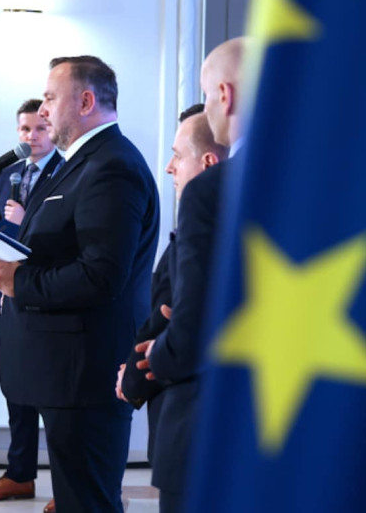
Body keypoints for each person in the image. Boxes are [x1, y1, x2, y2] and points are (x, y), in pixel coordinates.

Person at [0, 56, 159, 513]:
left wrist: (20, 281)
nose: (42, 111)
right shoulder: (78, 163)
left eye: (50, 99)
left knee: (88, 504)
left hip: (85, 376)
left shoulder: (112, 166)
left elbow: (101, 274)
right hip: (65, 373)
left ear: (85, 101)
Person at [134, 37, 245, 513]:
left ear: (224, 94)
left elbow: (193, 322)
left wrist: (155, 357)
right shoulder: (318, 180)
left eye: (205, 94)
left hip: (206, 417)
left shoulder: (211, 190)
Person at [116, 104, 228, 463]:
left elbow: (174, 317)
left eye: (177, 155)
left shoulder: (205, 227)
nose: (169, 167)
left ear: (208, 163)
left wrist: (132, 379)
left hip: (187, 408)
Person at [0, 99, 61, 506]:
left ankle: (68, 484)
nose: (32, 136)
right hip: (8, 293)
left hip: (48, 291)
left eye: (40, 128)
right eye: (25, 129)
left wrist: (26, 221)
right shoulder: (7, 174)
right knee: (16, 383)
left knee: (54, 393)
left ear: (52, 130)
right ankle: (19, 474)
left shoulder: (68, 172)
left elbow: (62, 237)